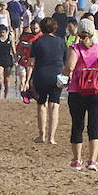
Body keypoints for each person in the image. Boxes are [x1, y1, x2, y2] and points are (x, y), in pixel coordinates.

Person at [65, 19, 98, 171]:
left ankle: (77, 160)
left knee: (77, 125)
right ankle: (92, 160)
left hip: (77, 91)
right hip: (96, 90)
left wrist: (63, 76)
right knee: (95, 126)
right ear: (93, 33)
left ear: (78, 33)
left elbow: (69, 67)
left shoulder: (75, 48)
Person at [29, 17, 66, 145]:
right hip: (57, 76)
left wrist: (29, 79)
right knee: (54, 105)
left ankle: (42, 135)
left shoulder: (37, 42)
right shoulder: (61, 42)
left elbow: (32, 63)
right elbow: (65, 62)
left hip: (41, 75)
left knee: (41, 104)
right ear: (54, 28)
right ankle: (52, 137)